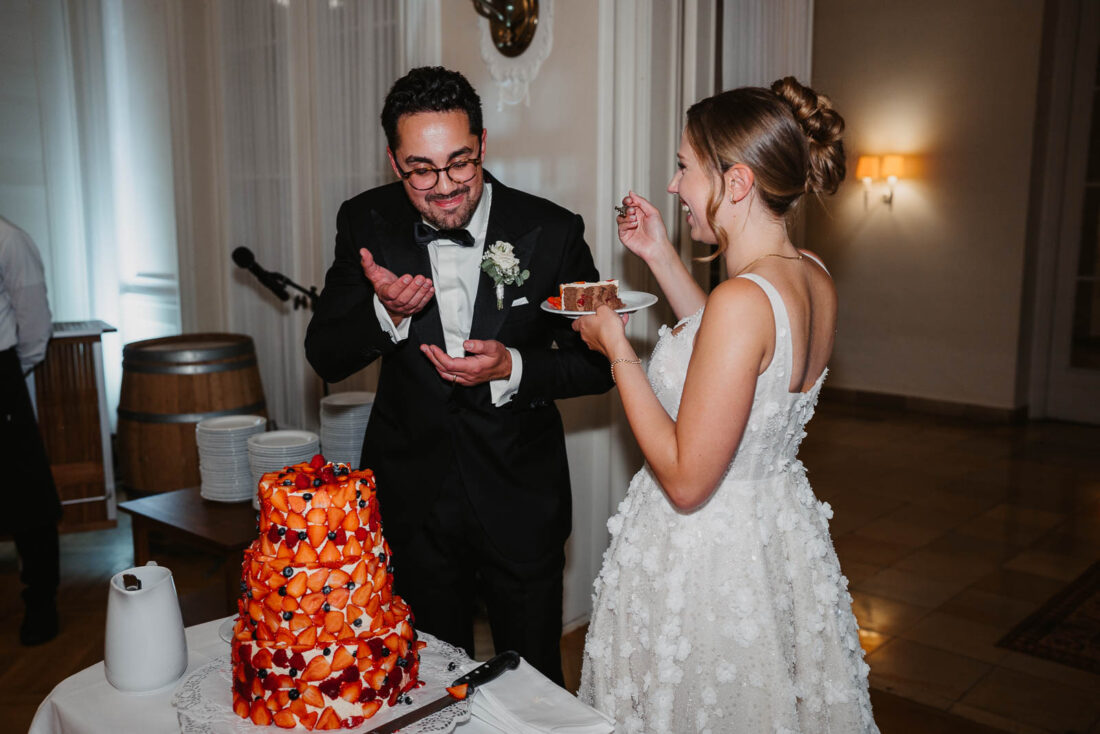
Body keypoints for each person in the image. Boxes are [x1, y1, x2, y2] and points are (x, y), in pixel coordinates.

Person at [574, 79, 878, 732]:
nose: (674, 186)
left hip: (709, 553)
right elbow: (729, 357)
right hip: (772, 530)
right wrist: (659, 254)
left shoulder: (744, 301)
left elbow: (687, 480)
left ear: (736, 183)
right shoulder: (812, 274)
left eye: (684, 167)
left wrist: (617, 350)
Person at [305, 67, 614, 684]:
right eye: (421, 170)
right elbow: (326, 353)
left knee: (530, 686)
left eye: (459, 163)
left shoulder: (555, 229)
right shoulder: (364, 221)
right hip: (411, 500)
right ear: (393, 161)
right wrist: (386, 314)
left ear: (483, 143)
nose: (444, 187)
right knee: (428, 686)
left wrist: (513, 367)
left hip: (519, 495)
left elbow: (601, 362)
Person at [0, 216, 62, 646]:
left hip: (2, 372)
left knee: (28, 497)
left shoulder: (8, 240)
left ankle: (41, 604)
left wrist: (10, 376)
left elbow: (35, 324)